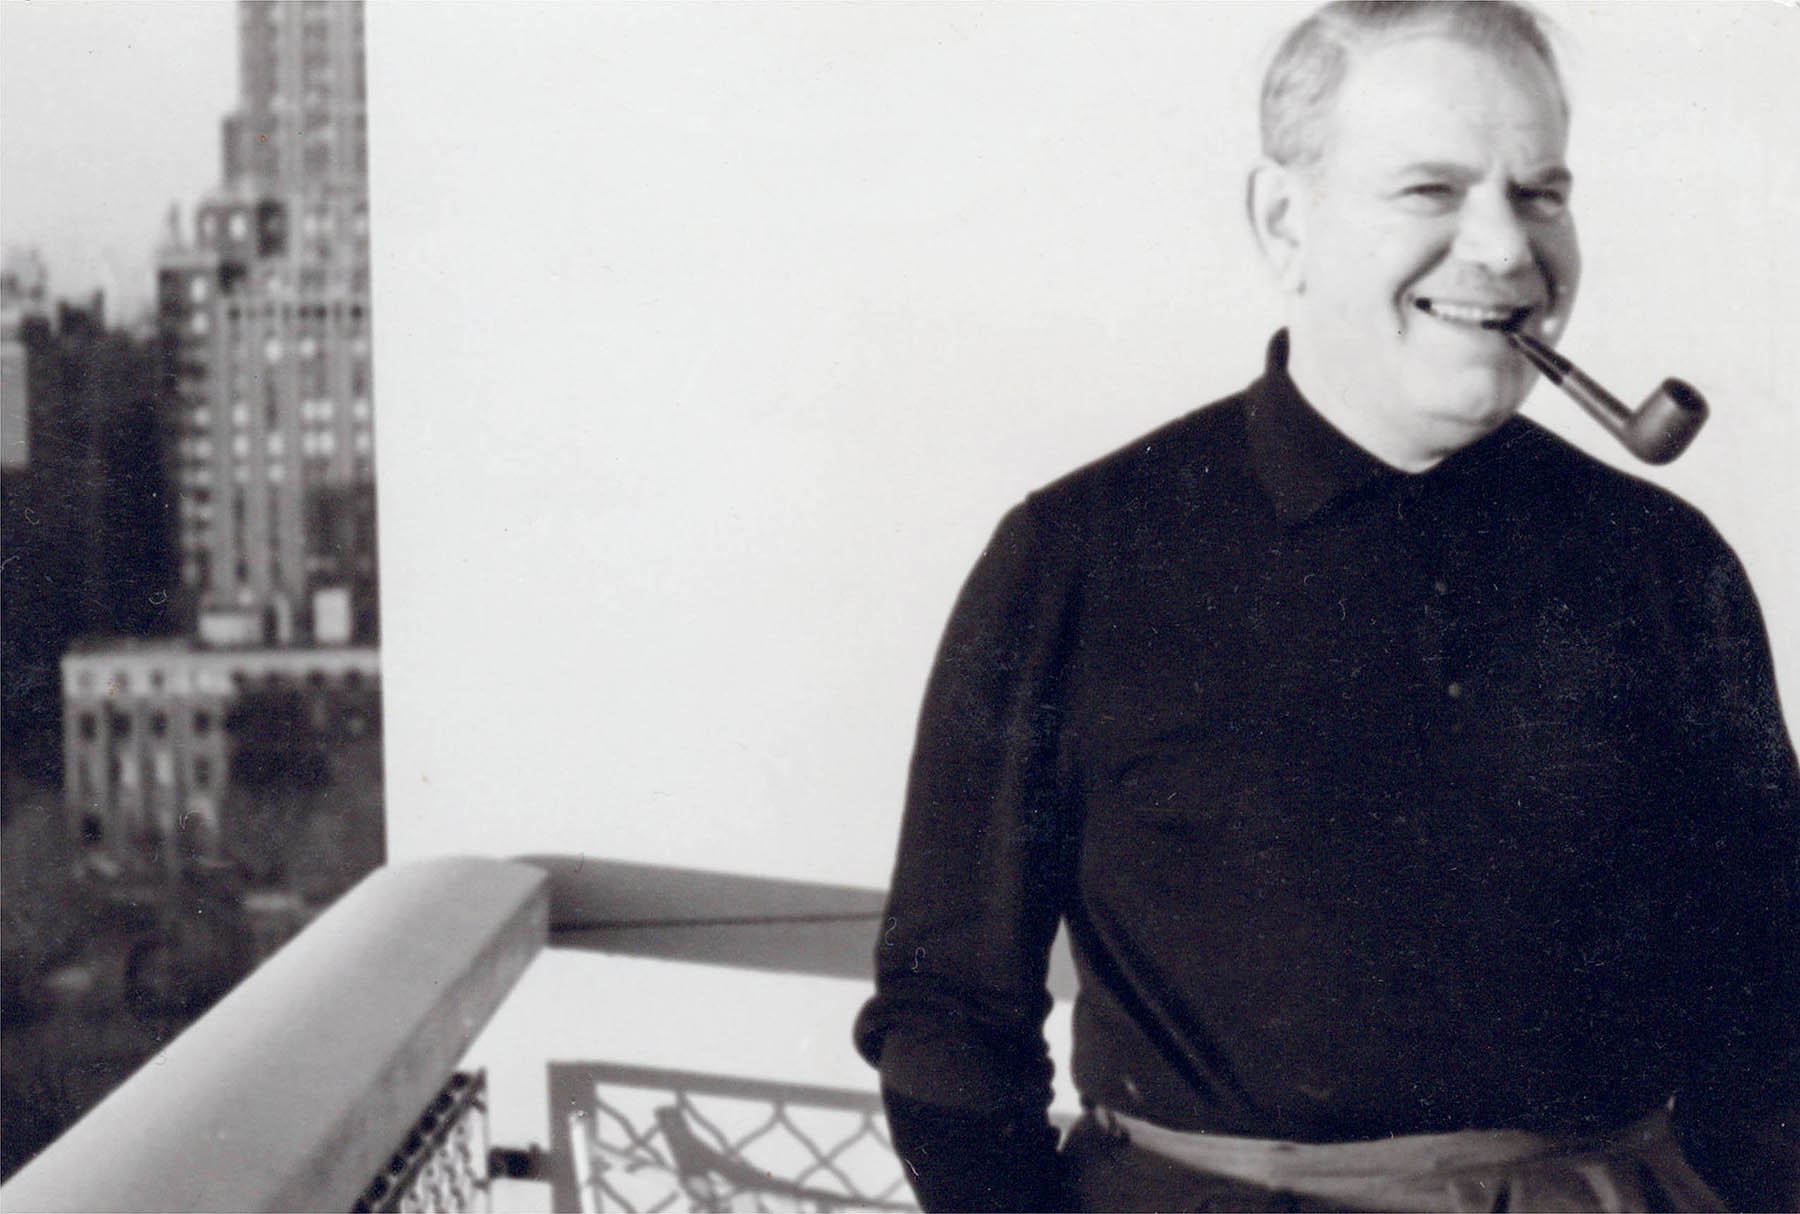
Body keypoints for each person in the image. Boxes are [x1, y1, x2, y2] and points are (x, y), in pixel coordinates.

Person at [853, 3, 1799, 1211]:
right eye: (1429, 190)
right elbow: (950, 1013)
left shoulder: (1668, 568)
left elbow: (1774, 1004)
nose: (1506, 249)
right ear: (1285, 221)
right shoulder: (1079, 554)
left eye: (1542, 191)